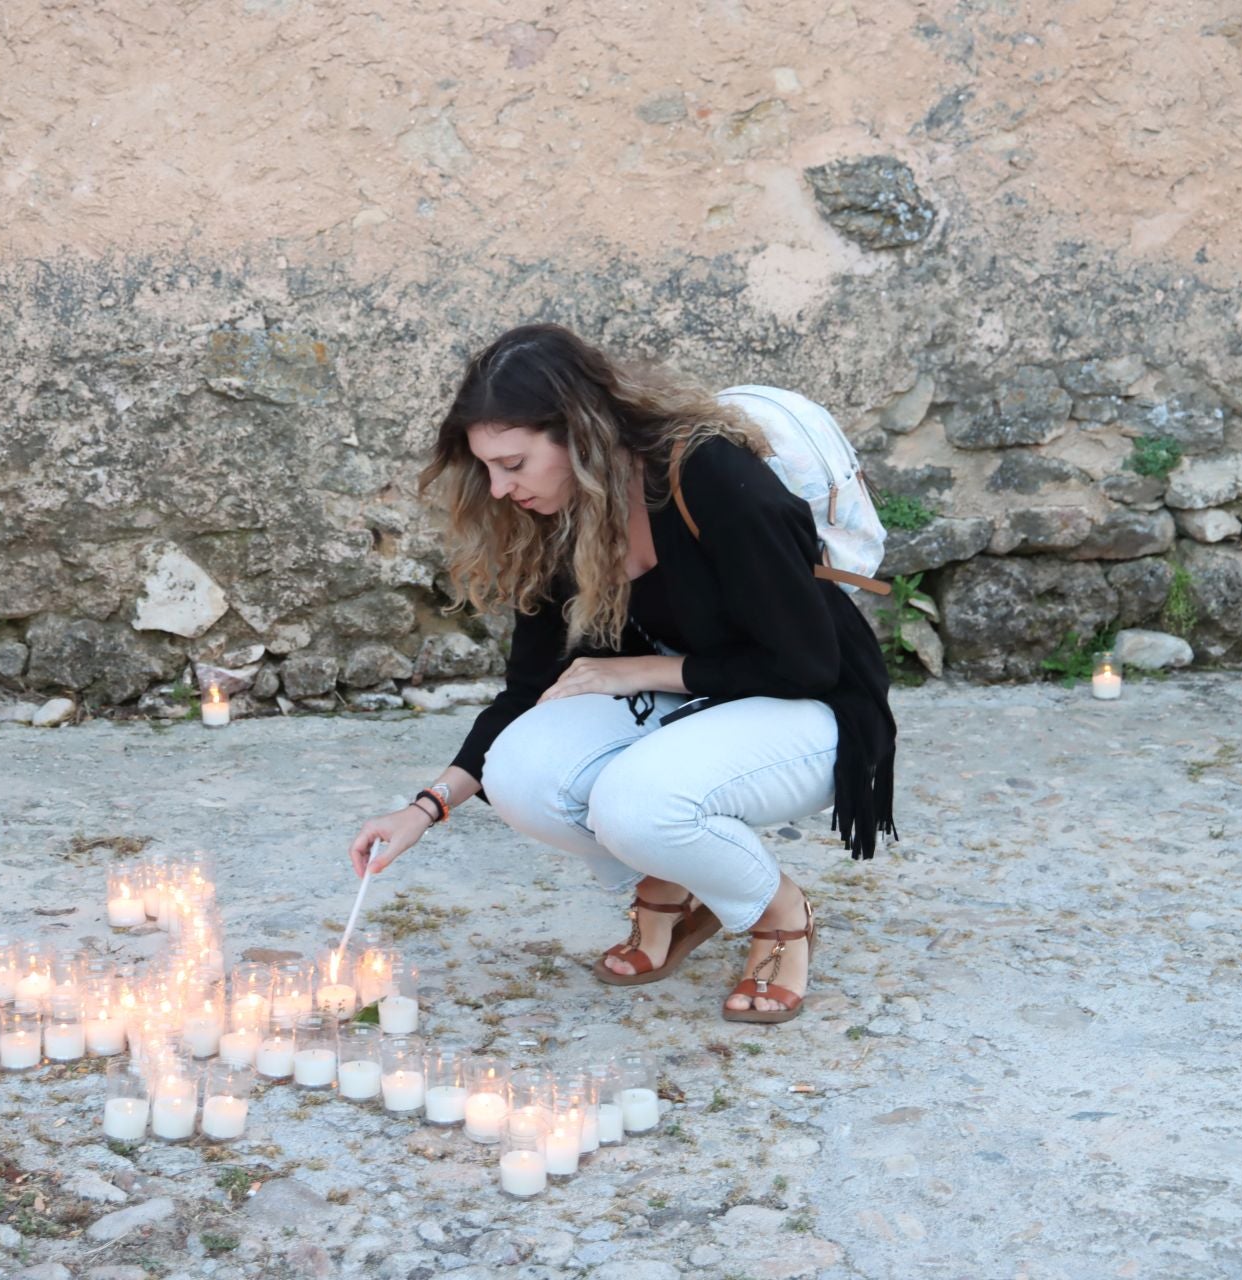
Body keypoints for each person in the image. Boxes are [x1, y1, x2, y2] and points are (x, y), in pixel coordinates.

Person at [345, 324, 896, 1024]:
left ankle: (778, 911)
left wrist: (633, 670)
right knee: (523, 773)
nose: (499, 487)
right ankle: (674, 880)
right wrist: (425, 807)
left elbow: (803, 662)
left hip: (815, 706)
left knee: (635, 801)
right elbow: (526, 688)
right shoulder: (560, 514)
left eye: (513, 463)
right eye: (487, 467)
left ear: (578, 433)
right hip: (700, 701)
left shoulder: (710, 475)